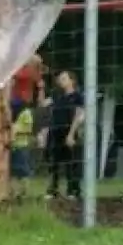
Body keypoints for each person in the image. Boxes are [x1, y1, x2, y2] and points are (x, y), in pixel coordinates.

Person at [46, 70, 85, 200]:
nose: (60, 80)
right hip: (56, 132)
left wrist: (71, 134)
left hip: (69, 132)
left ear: (72, 81)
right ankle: (53, 189)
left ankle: (73, 190)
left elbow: (79, 116)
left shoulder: (77, 96)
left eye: (64, 78)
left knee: (71, 162)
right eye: (60, 78)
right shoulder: (58, 96)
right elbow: (45, 106)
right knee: (54, 163)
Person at [10, 97, 34, 183]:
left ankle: (24, 191)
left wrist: (16, 131)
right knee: (15, 170)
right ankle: (17, 192)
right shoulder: (14, 114)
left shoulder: (26, 113)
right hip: (13, 145)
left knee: (23, 170)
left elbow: (29, 129)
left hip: (22, 145)